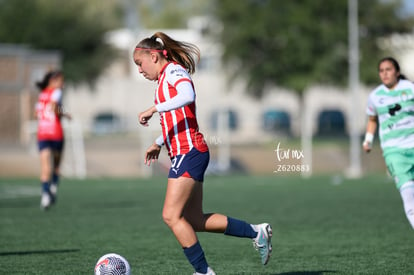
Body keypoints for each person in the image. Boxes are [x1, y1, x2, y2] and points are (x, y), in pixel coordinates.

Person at [133, 32, 273, 274]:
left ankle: (203, 272)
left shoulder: (174, 72)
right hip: (187, 152)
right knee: (194, 220)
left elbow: (188, 96)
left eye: (140, 63)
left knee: (171, 216)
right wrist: (158, 142)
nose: (139, 70)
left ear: (154, 56)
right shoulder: (162, 81)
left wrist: (153, 109)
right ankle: (256, 231)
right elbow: (179, 119)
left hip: (190, 152)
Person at [363, 57, 414, 229]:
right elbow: (372, 119)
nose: (384, 74)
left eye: (388, 69)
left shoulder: (409, 89)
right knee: (408, 195)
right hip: (394, 151)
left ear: (397, 72)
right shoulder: (375, 96)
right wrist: (368, 140)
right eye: (381, 70)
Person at [35, 70, 71, 210]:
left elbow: (36, 112)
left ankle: (45, 196)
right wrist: (64, 114)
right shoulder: (57, 93)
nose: (63, 84)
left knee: (45, 167)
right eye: (61, 81)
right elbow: (55, 108)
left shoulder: (42, 94)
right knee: (55, 166)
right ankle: (53, 188)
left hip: (43, 133)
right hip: (55, 133)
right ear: (54, 81)